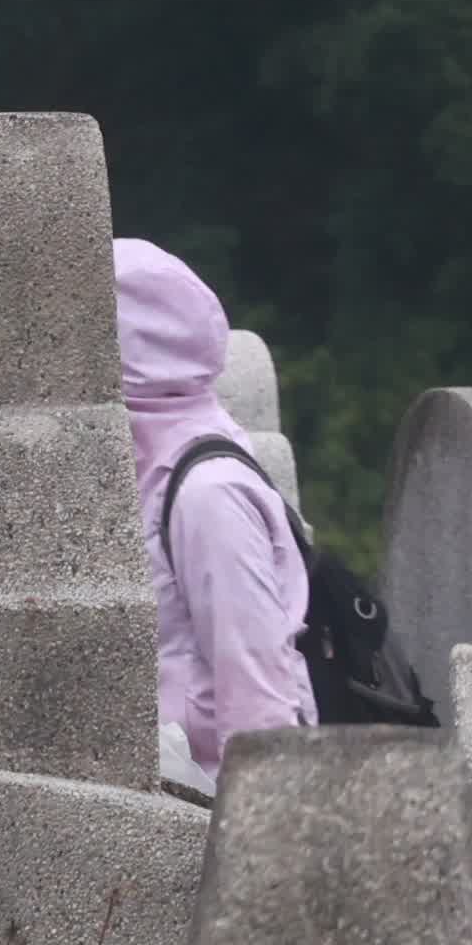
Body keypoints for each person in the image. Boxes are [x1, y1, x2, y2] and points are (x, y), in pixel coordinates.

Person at [116, 239, 311, 787]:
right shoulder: (151, 458)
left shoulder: (208, 492)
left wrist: (254, 851)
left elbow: (259, 704)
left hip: (208, 816)